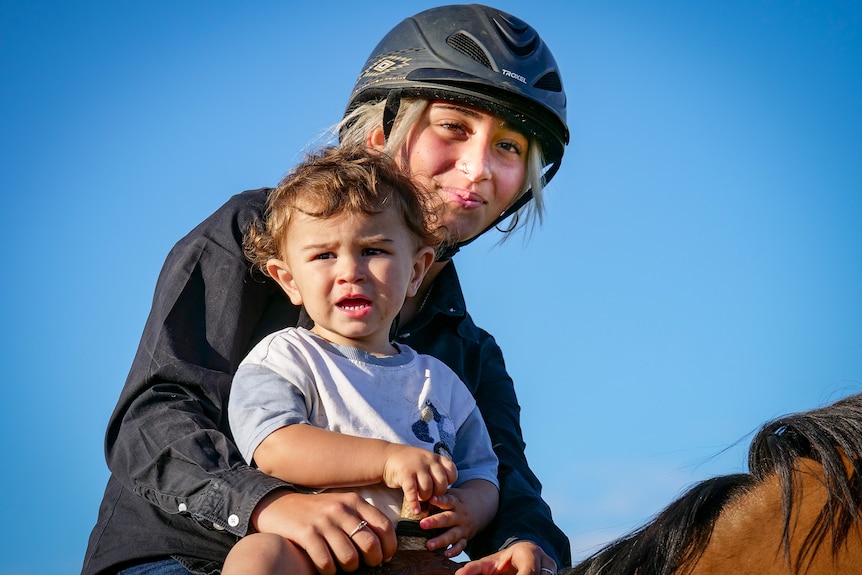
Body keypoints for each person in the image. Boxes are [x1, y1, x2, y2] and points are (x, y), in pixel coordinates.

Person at [82, 4, 571, 575]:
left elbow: (505, 480)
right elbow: (155, 416)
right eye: (453, 127)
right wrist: (269, 505)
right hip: (189, 557)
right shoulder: (253, 234)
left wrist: (528, 548)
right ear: (381, 131)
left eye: (509, 147)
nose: (478, 167)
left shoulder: (471, 355)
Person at [222, 145, 500, 575]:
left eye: (374, 250)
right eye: (324, 255)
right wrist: (388, 459)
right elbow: (274, 447)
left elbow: (483, 470)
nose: (350, 271)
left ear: (415, 271)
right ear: (289, 280)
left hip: (418, 555)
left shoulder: (439, 381)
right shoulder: (286, 357)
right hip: (319, 552)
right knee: (259, 556)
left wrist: (469, 509)